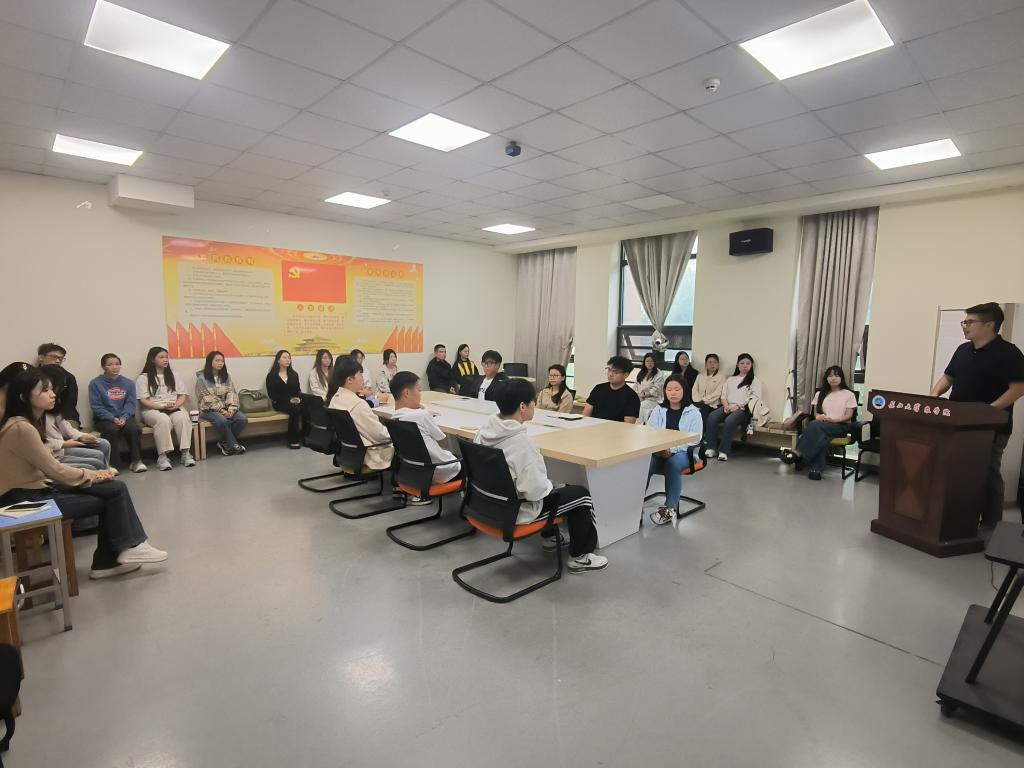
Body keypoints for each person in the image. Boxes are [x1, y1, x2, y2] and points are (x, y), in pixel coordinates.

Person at [0, 369, 167, 580]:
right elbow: (56, 470)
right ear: (24, 397)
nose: (52, 394)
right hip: (24, 501)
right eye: (44, 390)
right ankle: (111, 559)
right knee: (110, 497)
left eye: (51, 389)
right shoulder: (21, 428)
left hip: (36, 489)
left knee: (115, 487)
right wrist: (95, 475)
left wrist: (97, 475)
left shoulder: (27, 422)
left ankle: (127, 549)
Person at [475, 379, 608, 573]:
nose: (534, 405)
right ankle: (581, 557)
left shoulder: (484, 431)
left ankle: (551, 538)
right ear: (522, 407)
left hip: (486, 505)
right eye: (532, 401)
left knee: (550, 485)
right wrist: (549, 483)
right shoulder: (522, 444)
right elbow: (536, 493)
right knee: (581, 495)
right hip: (515, 512)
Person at [930, 302, 1024, 526]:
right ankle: (957, 517)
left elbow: (1019, 388)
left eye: (970, 322)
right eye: (964, 321)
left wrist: (988, 410)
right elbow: (948, 377)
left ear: (990, 325)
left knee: (987, 473)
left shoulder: (1009, 353)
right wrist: (933, 395)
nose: (964, 326)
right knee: (954, 469)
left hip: (990, 426)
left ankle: (992, 524)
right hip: (956, 422)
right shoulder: (962, 350)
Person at [780, 366, 857, 481]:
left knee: (815, 425)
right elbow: (816, 412)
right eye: (830, 376)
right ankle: (815, 469)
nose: (833, 378)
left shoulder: (849, 394)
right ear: (826, 378)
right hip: (823, 426)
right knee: (821, 436)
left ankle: (798, 454)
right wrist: (818, 417)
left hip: (841, 426)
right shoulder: (820, 393)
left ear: (841, 378)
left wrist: (833, 420)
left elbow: (848, 416)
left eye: (836, 375)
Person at [645, 375, 703, 525]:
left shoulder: (694, 413)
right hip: (659, 452)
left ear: (684, 391)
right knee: (644, 464)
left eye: (677, 389)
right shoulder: (659, 409)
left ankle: (669, 509)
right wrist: (660, 449)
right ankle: (634, 503)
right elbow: (649, 432)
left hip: (685, 453)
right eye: (669, 389)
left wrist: (671, 450)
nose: (673, 393)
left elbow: (694, 440)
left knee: (673, 463)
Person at [390, 371, 461, 483]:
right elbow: (442, 442)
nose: (420, 394)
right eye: (419, 390)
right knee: (464, 460)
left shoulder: (394, 418)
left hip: (413, 471)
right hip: (437, 471)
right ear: (407, 393)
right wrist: (424, 411)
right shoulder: (421, 415)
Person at [41, 364, 113, 471]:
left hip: (59, 449)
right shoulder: (32, 415)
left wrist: (81, 436)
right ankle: (104, 474)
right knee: (96, 460)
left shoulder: (53, 406)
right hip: (54, 454)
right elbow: (38, 445)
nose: (54, 394)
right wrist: (63, 444)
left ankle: (106, 473)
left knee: (103, 444)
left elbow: (66, 427)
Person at [328, 357, 394, 471]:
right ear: (349, 380)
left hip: (347, 452)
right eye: (360, 374)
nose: (363, 378)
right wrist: (396, 433)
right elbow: (379, 435)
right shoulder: (358, 404)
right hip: (368, 455)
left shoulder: (335, 398)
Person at [136, 346, 195, 470]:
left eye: (167, 357)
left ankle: (186, 453)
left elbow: (182, 395)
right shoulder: (144, 377)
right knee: (163, 420)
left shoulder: (175, 375)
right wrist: (162, 406)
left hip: (174, 407)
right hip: (153, 409)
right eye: (161, 357)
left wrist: (176, 405)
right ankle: (162, 457)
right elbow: (143, 400)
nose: (165, 360)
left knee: (183, 418)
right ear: (152, 359)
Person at [89, 353, 146, 473]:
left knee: (133, 429)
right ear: (103, 367)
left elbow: (131, 404)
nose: (114, 367)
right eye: (110, 364)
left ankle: (136, 461)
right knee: (112, 429)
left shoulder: (128, 383)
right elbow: (96, 406)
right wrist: (112, 418)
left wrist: (124, 417)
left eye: (117, 364)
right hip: (104, 419)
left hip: (125, 417)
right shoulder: (95, 383)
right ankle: (112, 464)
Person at [704, 353, 763, 462]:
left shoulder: (754, 380)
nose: (745, 365)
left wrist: (738, 406)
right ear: (737, 365)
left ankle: (723, 451)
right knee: (712, 417)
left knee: (729, 420)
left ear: (751, 365)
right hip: (727, 406)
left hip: (743, 410)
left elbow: (755, 399)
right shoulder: (730, 379)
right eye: (742, 363)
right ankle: (711, 448)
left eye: (748, 363)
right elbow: (723, 395)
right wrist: (726, 405)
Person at [196, 351, 248, 456]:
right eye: (217, 360)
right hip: (208, 409)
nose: (220, 363)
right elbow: (206, 399)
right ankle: (233, 446)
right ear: (210, 362)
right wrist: (221, 410)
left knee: (242, 419)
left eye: (222, 361)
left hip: (227, 408)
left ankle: (225, 443)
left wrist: (231, 410)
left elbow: (232, 393)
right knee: (222, 420)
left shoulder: (226, 376)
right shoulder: (202, 378)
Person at [582, 356, 641, 423]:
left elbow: (628, 425)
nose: (610, 374)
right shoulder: (598, 389)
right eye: (609, 370)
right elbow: (585, 415)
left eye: (615, 372)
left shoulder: (632, 397)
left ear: (626, 375)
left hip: (616, 429)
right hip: (592, 427)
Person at [266, 349, 304, 448]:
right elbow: (272, 394)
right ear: (278, 360)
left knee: (307, 407)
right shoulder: (271, 376)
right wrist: (289, 400)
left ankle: (306, 437)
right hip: (279, 402)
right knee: (295, 410)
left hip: (294, 401)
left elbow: (298, 390)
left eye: (289, 358)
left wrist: (298, 399)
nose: (287, 360)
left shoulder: (294, 374)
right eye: (284, 357)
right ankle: (293, 440)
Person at [37, 343, 79, 426]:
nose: (57, 361)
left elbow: (70, 404)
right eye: (53, 357)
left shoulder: (68, 377)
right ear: (41, 357)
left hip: (65, 416)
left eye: (61, 358)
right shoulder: (31, 376)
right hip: (39, 415)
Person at [691, 353, 725, 427]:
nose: (712, 364)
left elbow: (717, 393)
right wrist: (698, 400)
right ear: (706, 364)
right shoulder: (700, 376)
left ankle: (701, 433)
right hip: (698, 402)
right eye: (710, 362)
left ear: (718, 365)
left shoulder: (721, 377)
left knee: (702, 411)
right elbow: (694, 390)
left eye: (715, 362)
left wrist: (704, 400)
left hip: (713, 404)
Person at [636, 352, 666, 424]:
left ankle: (640, 425)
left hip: (653, 400)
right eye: (647, 361)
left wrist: (643, 395)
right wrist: (637, 395)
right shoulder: (641, 373)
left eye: (652, 361)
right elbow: (635, 385)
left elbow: (655, 390)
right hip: (640, 398)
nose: (649, 363)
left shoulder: (659, 374)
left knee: (642, 405)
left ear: (655, 362)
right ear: (644, 362)